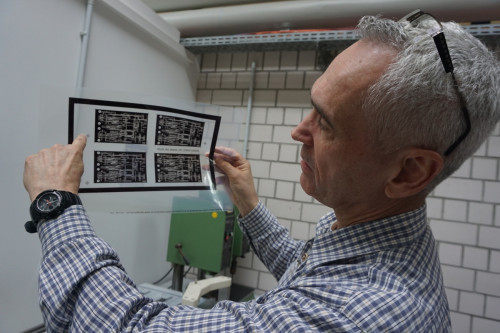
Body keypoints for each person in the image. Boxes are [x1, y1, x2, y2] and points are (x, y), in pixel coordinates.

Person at [24, 11, 499, 332]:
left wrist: (57, 205)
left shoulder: (357, 314)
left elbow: (128, 327)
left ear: (410, 171)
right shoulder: (381, 235)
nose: (299, 130)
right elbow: (304, 271)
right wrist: (248, 203)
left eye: (326, 122)